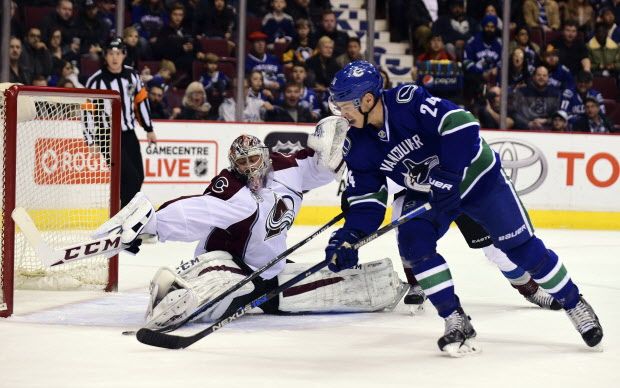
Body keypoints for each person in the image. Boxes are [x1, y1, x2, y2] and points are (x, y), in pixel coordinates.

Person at [325, 60, 603, 356]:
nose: (342, 115)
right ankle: (454, 318)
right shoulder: (357, 143)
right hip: (431, 194)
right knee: (413, 243)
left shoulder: (407, 102)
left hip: (477, 179)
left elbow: (462, 124)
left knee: (523, 250)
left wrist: (449, 175)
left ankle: (575, 304)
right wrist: (349, 237)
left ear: (367, 100)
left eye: (345, 107)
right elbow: (367, 199)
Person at [93, 132, 408, 330]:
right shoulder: (232, 190)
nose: (248, 168)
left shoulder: (290, 169)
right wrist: (153, 224)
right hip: (227, 264)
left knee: (327, 288)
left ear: (266, 156)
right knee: (209, 299)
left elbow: (325, 162)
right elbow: (197, 211)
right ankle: (171, 292)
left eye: (254, 159)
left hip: (270, 272)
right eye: (241, 163)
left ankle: (383, 284)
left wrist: (344, 156)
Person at [86, 37, 157, 207]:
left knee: (138, 176)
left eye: (118, 53)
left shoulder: (133, 76)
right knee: (129, 177)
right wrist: (91, 139)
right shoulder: (95, 81)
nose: (114, 57)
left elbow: (141, 102)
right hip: (106, 136)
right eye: (110, 53)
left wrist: (149, 128)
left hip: (128, 132)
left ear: (124, 55)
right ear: (105, 56)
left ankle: (121, 211)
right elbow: (87, 111)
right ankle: (123, 216)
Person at [511, 66, 562, 130]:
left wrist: (546, 121)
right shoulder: (521, 92)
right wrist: (528, 124)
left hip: (548, 130)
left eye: (544, 75)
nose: (541, 78)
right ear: (533, 77)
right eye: (539, 75)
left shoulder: (555, 94)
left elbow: (558, 115)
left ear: (548, 78)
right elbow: (515, 113)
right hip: (525, 130)